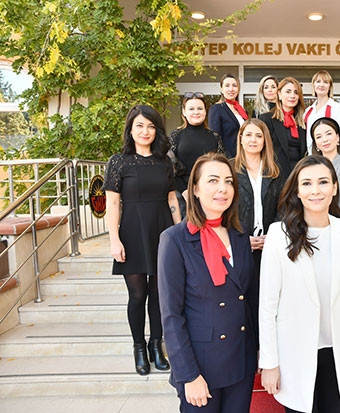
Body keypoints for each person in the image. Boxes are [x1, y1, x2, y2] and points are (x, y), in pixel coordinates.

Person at [259, 155, 340, 413]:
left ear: (334, 187)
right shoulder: (278, 235)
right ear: (297, 191)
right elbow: (267, 305)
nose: (315, 190)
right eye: (307, 183)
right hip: (294, 353)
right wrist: (269, 362)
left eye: (323, 182)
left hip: (337, 350)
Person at [158, 153, 258, 412]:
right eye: (213, 180)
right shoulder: (174, 240)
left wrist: (259, 350)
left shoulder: (239, 235)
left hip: (240, 362)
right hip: (200, 368)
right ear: (195, 189)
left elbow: (250, 299)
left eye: (228, 181)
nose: (222, 188)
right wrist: (188, 375)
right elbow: (171, 315)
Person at [103, 104, 181, 376]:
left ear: (157, 130)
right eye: (140, 125)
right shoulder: (119, 161)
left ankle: (156, 345)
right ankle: (138, 347)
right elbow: (113, 204)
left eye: (150, 126)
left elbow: (172, 200)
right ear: (131, 129)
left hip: (162, 231)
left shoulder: (164, 162)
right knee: (137, 295)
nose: (145, 131)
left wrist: (180, 233)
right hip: (132, 233)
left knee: (159, 294)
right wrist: (114, 240)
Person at [233, 118, 283, 277]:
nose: (253, 140)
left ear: (265, 140)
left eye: (258, 136)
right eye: (248, 135)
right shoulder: (229, 169)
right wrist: (241, 238)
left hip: (269, 244)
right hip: (239, 243)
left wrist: (273, 236)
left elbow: (283, 206)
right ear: (241, 139)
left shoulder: (275, 171)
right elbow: (224, 209)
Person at [170, 92, 223, 218]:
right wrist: (185, 191)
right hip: (183, 195)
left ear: (205, 111)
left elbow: (220, 166)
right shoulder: (176, 136)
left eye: (200, 108)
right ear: (184, 112)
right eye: (191, 109)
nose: (196, 112)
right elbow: (169, 167)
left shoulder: (214, 136)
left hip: (209, 193)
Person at [259, 77, 307, 178]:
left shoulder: (303, 121)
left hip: (299, 176)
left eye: (296, 92)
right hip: (277, 177)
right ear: (279, 94)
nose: (292, 96)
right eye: (288, 92)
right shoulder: (266, 119)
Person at [303, 70, 340, 154]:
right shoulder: (308, 111)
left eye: (325, 82)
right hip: (311, 155)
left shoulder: (335, 108)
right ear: (313, 85)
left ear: (330, 86)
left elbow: (338, 133)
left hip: (329, 155)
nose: (321, 85)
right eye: (318, 81)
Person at [208, 73, 249, 157]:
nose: (231, 89)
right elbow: (215, 138)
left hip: (244, 156)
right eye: (227, 85)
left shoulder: (241, 110)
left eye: (234, 85)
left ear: (238, 89)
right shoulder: (217, 109)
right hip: (228, 158)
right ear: (222, 89)